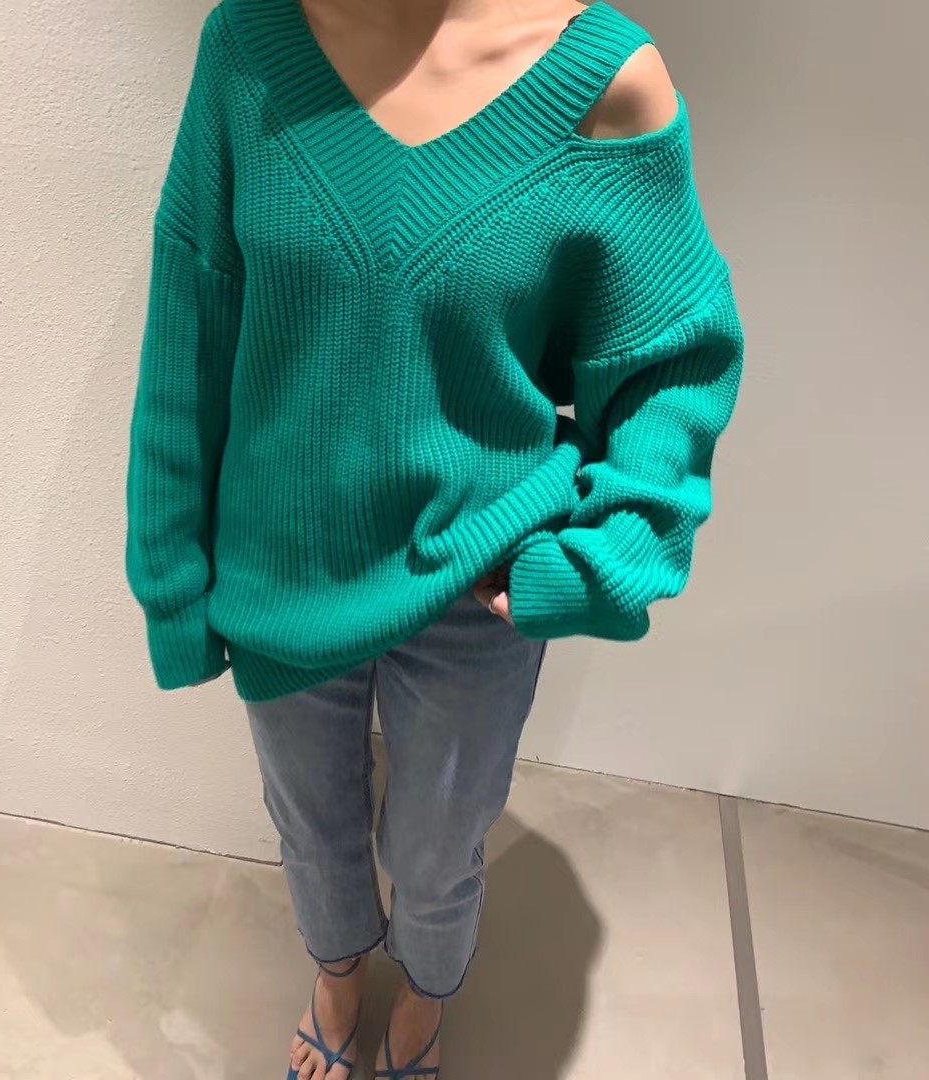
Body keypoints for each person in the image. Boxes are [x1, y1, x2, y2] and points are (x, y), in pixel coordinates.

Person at [124, 0, 745, 1075]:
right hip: (281, 570)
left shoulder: (601, 81)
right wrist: (173, 580)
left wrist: (603, 558)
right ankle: (336, 971)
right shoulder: (249, 49)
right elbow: (193, 320)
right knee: (310, 824)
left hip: (476, 586)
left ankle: (427, 990)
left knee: (439, 848)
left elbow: (671, 356)